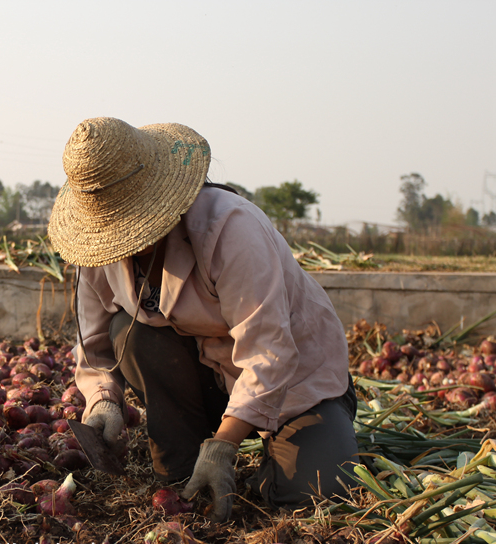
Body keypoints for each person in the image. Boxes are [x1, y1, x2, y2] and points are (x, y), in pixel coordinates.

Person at [47, 117, 358, 521]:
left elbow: (270, 353)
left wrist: (224, 445)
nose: (128, 244)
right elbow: (94, 347)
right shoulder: (98, 249)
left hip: (295, 379)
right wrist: (103, 400)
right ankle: (180, 465)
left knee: (317, 491)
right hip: (203, 376)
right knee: (132, 334)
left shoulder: (229, 229)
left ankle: (254, 455)